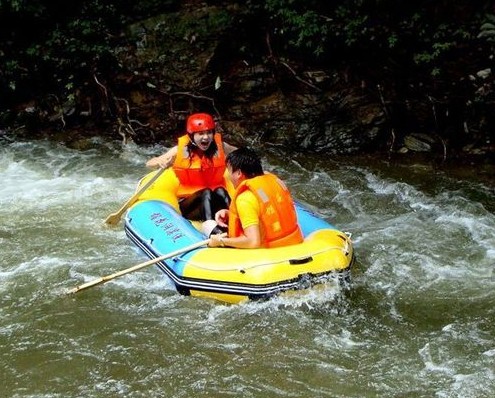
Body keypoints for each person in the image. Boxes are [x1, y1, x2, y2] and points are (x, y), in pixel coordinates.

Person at [146, 113, 236, 224]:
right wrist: (160, 162)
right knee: (206, 192)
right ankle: (211, 227)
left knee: (221, 191)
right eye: (201, 134)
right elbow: (149, 163)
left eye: (209, 133)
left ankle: (235, 221)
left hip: (214, 200)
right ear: (191, 135)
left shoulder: (221, 146)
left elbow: (241, 154)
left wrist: (258, 170)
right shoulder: (179, 150)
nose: (206, 137)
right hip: (190, 204)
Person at [206, 147, 303, 249]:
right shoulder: (273, 183)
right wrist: (231, 214)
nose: (228, 176)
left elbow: (253, 242)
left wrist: (221, 241)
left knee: (210, 230)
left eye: (229, 171)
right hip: (294, 242)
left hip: (270, 252)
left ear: (239, 173)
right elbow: (265, 214)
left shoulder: (245, 199)